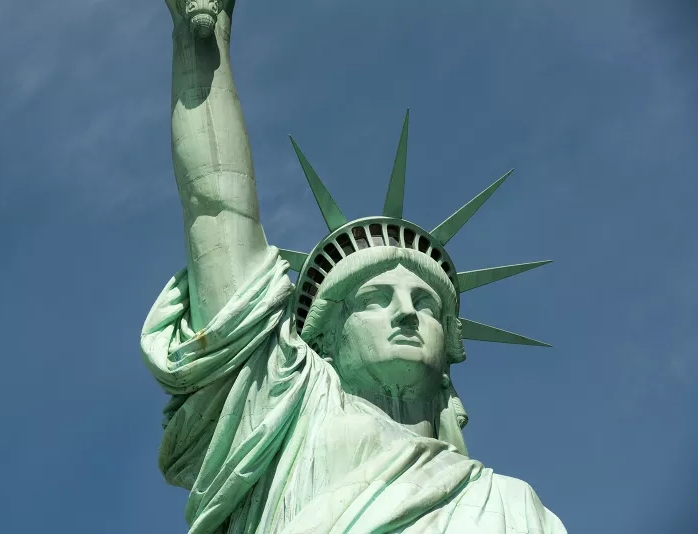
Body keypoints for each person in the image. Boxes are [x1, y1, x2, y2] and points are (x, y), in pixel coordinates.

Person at [141, 1, 567, 532]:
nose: (407, 314)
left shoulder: (512, 505)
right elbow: (217, 209)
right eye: (374, 299)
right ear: (323, 339)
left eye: (426, 303)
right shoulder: (286, 418)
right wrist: (200, 37)